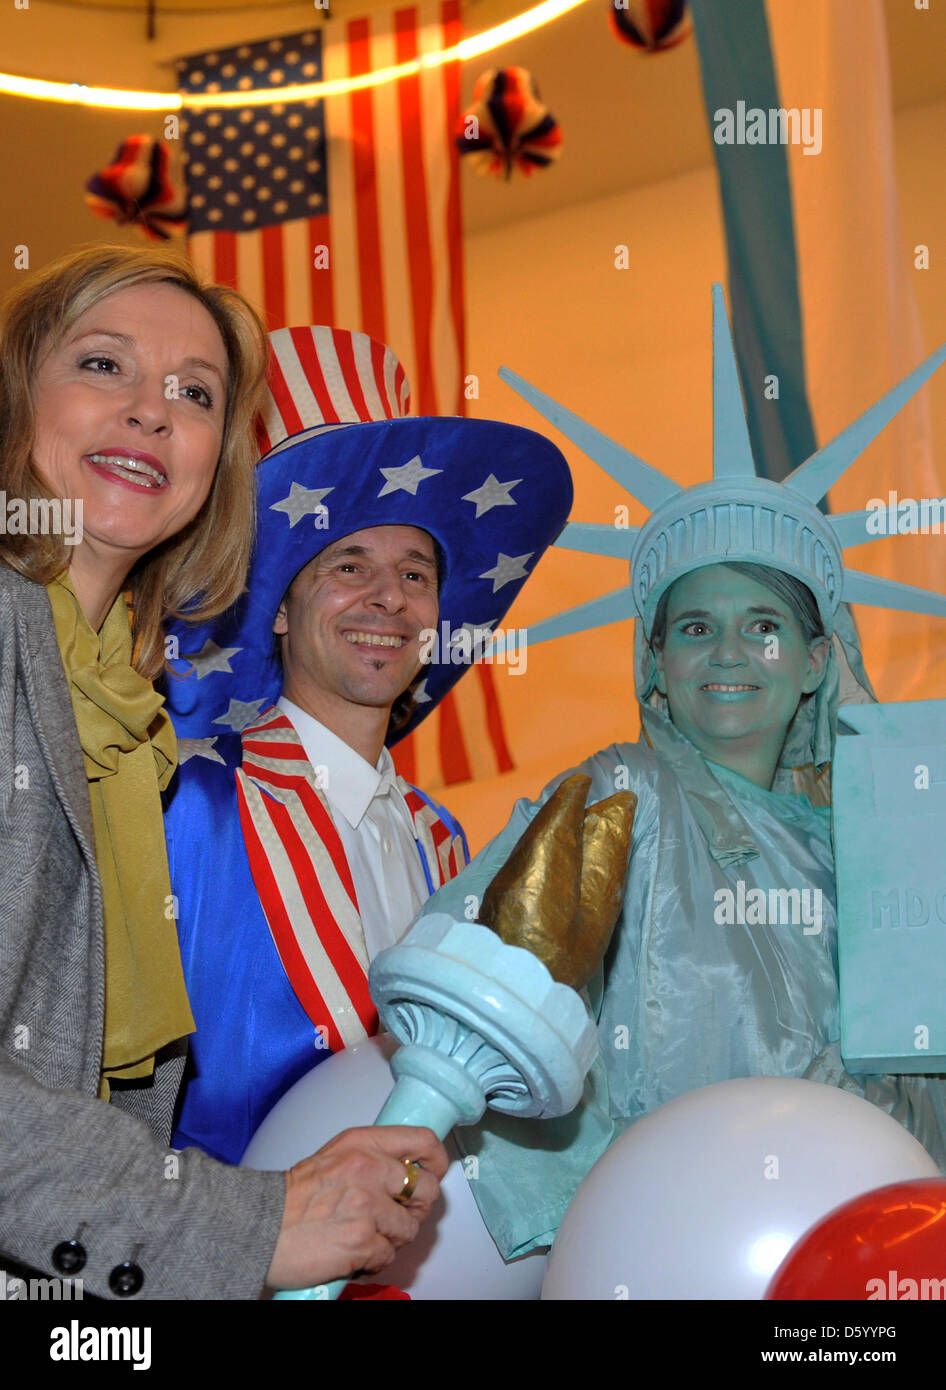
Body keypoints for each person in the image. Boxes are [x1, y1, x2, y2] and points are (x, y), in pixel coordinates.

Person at [410, 286, 946, 1260]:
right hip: (673, 1248)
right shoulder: (625, 795)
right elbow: (464, 984)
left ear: (816, 659)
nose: (728, 653)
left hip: (880, 1243)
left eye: (764, 626)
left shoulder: (888, 837)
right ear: (655, 662)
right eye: (694, 627)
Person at [0, 246, 448, 1300]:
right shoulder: (194, 793)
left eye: (193, 394)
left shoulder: (120, 717)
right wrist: (244, 1224)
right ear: (19, 399)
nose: (152, 414)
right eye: (104, 366)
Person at [160, 324, 574, 1167]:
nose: (389, 597)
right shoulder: (193, 803)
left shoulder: (442, 838)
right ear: (276, 607)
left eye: (416, 573)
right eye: (348, 565)